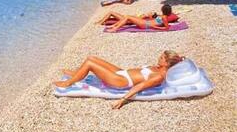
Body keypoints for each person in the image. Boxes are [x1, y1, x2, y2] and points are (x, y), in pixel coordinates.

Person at [54, 50, 184, 109]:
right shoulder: (158, 68)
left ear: (167, 64)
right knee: (91, 58)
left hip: (120, 81)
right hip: (122, 72)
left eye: (161, 58)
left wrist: (122, 100)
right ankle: (77, 73)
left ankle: (68, 83)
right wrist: (179, 58)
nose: (159, 58)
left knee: (90, 64)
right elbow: (179, 60)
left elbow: (139, 87)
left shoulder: (158, 76)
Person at [104, 3, 172, 32]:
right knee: (129, 16)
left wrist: (155, 27)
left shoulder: (164, 18)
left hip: (146, 25)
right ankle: (113, 26)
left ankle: (114, 29)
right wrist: (150, 17)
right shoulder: (162, 16)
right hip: (147, 23)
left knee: (128, 17)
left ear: (163, 10)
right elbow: (156, 22)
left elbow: (166, 28)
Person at [97, 4, 175, 25]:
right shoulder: (158, 17)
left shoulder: (146, 18)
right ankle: (100, 21)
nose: (150, 12)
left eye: (151, 13)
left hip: (128, 20)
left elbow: (153, 21)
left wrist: (149, 16)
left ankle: (100, 23)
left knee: (111, 12)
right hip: (129, 18)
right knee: (111, 13)